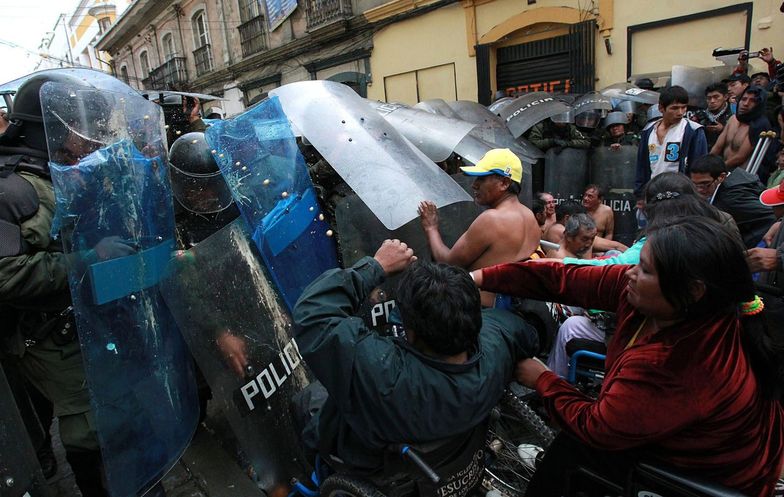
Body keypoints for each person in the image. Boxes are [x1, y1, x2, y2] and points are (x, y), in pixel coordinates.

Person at [472, 217, 784, 497]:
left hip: (702, 477)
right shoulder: (651, 294)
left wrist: (543, 379)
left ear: (693, 290)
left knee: (573, 452)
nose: (631, 273)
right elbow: (562, 278)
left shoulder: (682, 362)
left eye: (646, 269)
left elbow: (597, 427)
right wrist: (479, 278)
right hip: (666, 435)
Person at [292, 239, 539, 488]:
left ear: (410, 333)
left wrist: (376, 266)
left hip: (377, 466)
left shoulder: (384, 374)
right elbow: (530, 335)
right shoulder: (497, 339)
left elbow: (314, 313)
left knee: (308, 399)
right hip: (451, 456)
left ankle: (311, 475)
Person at [0, 71, 112, 496]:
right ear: (50, 129)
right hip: (38, 334)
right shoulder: (14, 191)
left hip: (66, 322)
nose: (87, 143)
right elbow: (5, 275)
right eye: (78, 132)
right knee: (86, 425)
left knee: (43, 416)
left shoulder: (46, 175)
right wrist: (87, 260)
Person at [418, 148, 539, 307]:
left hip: (482, 314)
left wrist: (431, 227)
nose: (474, 185)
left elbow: (448, 265)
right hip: (510, 313)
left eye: (482, 179)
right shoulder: (530, 217)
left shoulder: (492, 219)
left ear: (504, 183)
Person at [689, 154, 775, 248]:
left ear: (721, 177)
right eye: (695, 185)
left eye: (705, 184)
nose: (699, 190)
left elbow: (771, 214)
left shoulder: (731, 198)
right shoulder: (738, 179)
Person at [634, 85, 707, 196]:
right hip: (653, 193)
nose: (680, 112)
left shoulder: (693, 130)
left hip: (681, 194)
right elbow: (642, 166)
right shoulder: (648, 131)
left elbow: (699, 167)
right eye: (674, 108)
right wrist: (640, 194)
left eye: (684, 107)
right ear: (661, 108)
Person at [711, 86, 772, 170]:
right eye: (744, 99)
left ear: (759, 105)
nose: (746, 104)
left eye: (753, 101)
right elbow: (717, 147)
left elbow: (740, 157)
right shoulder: (733, 119)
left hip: (742, 174)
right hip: (722, 168)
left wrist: (716, 169)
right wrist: (707, 164)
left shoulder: (759, 124)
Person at [691, 82, 733, 149]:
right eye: (709, 98)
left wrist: (723, 129)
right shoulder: (700, 114)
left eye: (716, 97)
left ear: (725, 97)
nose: (712, 101)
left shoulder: (733, 115)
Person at [527, 114, 591, 153]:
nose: (561, 121)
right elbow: (532, 143)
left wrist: (568, 143)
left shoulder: (571, 128)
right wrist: (551, 142)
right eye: (559, 117)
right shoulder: (541, 126)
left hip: (566, 160)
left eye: (564, 117)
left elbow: (586, 142)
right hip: (544, 159)